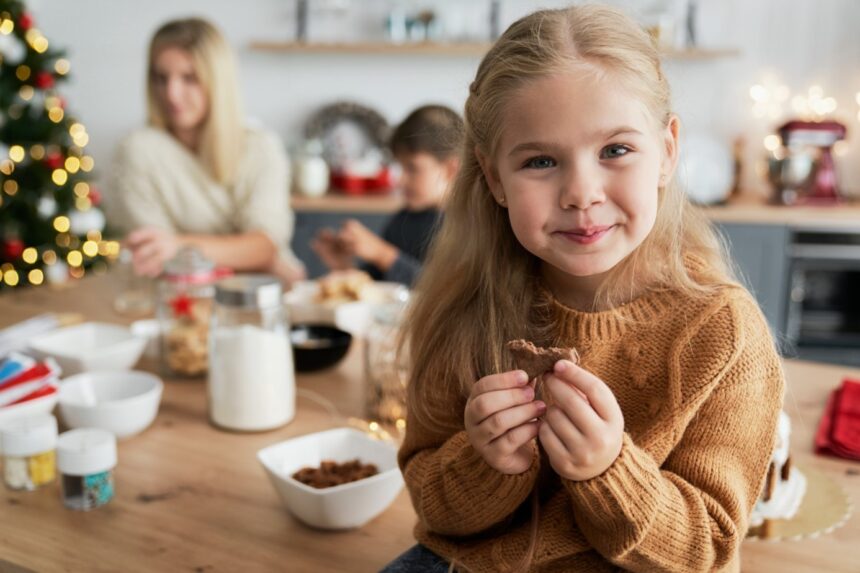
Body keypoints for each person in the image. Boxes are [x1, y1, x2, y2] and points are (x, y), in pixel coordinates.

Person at [383, 5, 783, 573]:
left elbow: (707, 550)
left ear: (667, 151)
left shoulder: (723, 332)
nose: (581, 192)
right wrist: (485, 461)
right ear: (494, 177)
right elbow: (433, 506)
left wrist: (607, 468)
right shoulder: (464, 310)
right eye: (541, 161)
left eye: (615, 151)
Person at [106, 18, 305, 284]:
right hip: (177, 301)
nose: (172, 94)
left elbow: (265, 245)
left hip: (260, 299)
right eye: (161, 78)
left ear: (218, 82)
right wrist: (252, 256)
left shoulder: (260, 147)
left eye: (190, 78)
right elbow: (156, 256)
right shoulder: (137, 151)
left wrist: (179, 245)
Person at [311, 105, 462, 286]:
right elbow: (377, 286)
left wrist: (382, 254)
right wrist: (344, 267)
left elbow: (442, 291)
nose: (401, 181)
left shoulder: (470, 228)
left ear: (450, 169)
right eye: (400, 167)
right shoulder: (402, 221)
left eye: (412, 168)